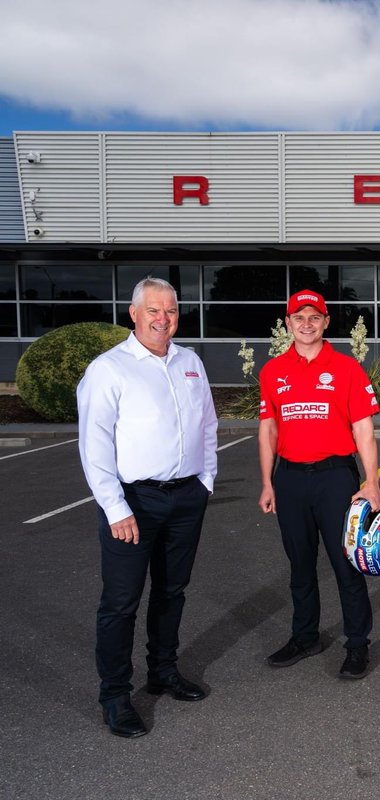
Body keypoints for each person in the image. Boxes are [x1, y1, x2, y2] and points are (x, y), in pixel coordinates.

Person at [77, 277, 218, 739]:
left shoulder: (190, 362)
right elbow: (94, 443)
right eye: (153, 310)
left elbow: (208, 424)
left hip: (186, 497)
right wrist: (114, 507)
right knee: (121, 603)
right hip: (133, 502)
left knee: (172, 591)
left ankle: (163, 671)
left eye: (171, 310)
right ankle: (115, 696)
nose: (163, 319)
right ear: (134, 314)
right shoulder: (109, 369)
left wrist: (205, 480)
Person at [257, 289, 380, 679]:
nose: (306, 324)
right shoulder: (272, 371)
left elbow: (364, 430)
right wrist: (267, 483)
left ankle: (357, 644)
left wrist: (373, 482)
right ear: (288, 323)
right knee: (300, 566)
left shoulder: (346, 368)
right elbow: (268, 430)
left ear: (326, 322)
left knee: (346, 564)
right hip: (290, 479)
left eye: (314, 317)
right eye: (299, 317)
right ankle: (305, 637)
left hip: (335, 478)